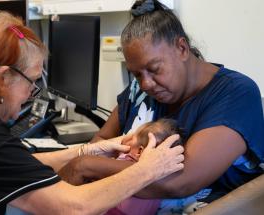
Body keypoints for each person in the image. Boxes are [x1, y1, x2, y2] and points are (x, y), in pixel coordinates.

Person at [0, 11, 184, 215]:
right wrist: (149, 169)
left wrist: (91, 149)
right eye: (32, 82)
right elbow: (74, 207)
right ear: (5, 77)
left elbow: (16, 162)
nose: (32, 94)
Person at [59, 0, 264, 213]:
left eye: (154, 69)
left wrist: (85, 166)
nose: (145, 83)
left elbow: (180, 181)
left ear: (182, 48)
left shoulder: (235, 93)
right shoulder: (139, 91)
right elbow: (101, 141)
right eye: (137, 74)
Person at [60, 118, 183, 215]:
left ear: (139, 151)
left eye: (132, 137)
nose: (125, 139)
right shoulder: (161, 178)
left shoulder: (125, 161)